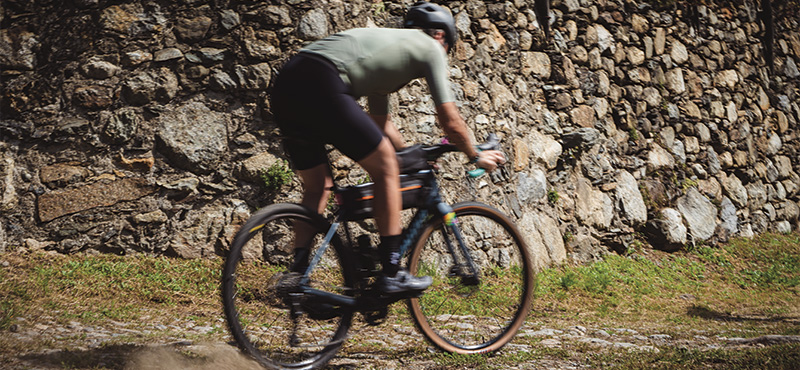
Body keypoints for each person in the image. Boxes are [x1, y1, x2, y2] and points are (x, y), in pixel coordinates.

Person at [271, 1, 506, 295]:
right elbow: (451, 120)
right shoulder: (430, 47)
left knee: (318, 187)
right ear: (441, 36)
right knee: (386, 167)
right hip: (322, 80)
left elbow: (381, 123)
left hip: (287, 83)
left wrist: (410, 154)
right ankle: (393, 271)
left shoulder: (390, 56)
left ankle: (297, 274)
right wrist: (476, 154)